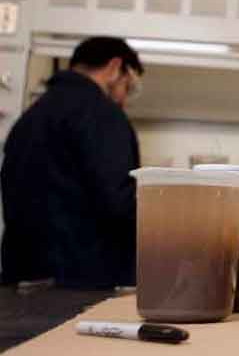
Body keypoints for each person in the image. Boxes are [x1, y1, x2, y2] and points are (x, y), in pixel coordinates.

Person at [1, 37, 143, 288]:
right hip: (82, 280)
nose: (123, 99)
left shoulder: (31, 117)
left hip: (21, 275)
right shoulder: (102, 114)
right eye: (127, 87)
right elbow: (118, 202)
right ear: (114, 68)